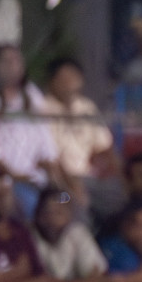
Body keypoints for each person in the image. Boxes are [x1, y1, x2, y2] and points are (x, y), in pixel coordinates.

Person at [0, 44, 66, 207]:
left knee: (68, 201)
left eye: (16, 60)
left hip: (38, 180)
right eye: (6, 61)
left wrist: (54, 171)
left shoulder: (32, 94)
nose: (12, 65)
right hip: (5, 182)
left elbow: (45, 138)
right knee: (33, 204)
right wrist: (21, 177)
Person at [25, 186, 107, 282]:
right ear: (37, 213)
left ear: (69, 214)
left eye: (59, 212)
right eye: (47, 212)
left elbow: (95, 279)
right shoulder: (25, 235)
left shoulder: (77, 233)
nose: (52, 218)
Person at [40, 57, 117, 195]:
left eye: (73, 77)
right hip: (58, 183)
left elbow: (104, 145)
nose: (69, 83)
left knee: (118, 196)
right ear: (52, 81)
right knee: (71, 202)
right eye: (63, 78)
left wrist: (110, 168)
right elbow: (48, 156)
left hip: (90, 178)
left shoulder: (86, 107)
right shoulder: (42, 108)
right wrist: (71, 183)